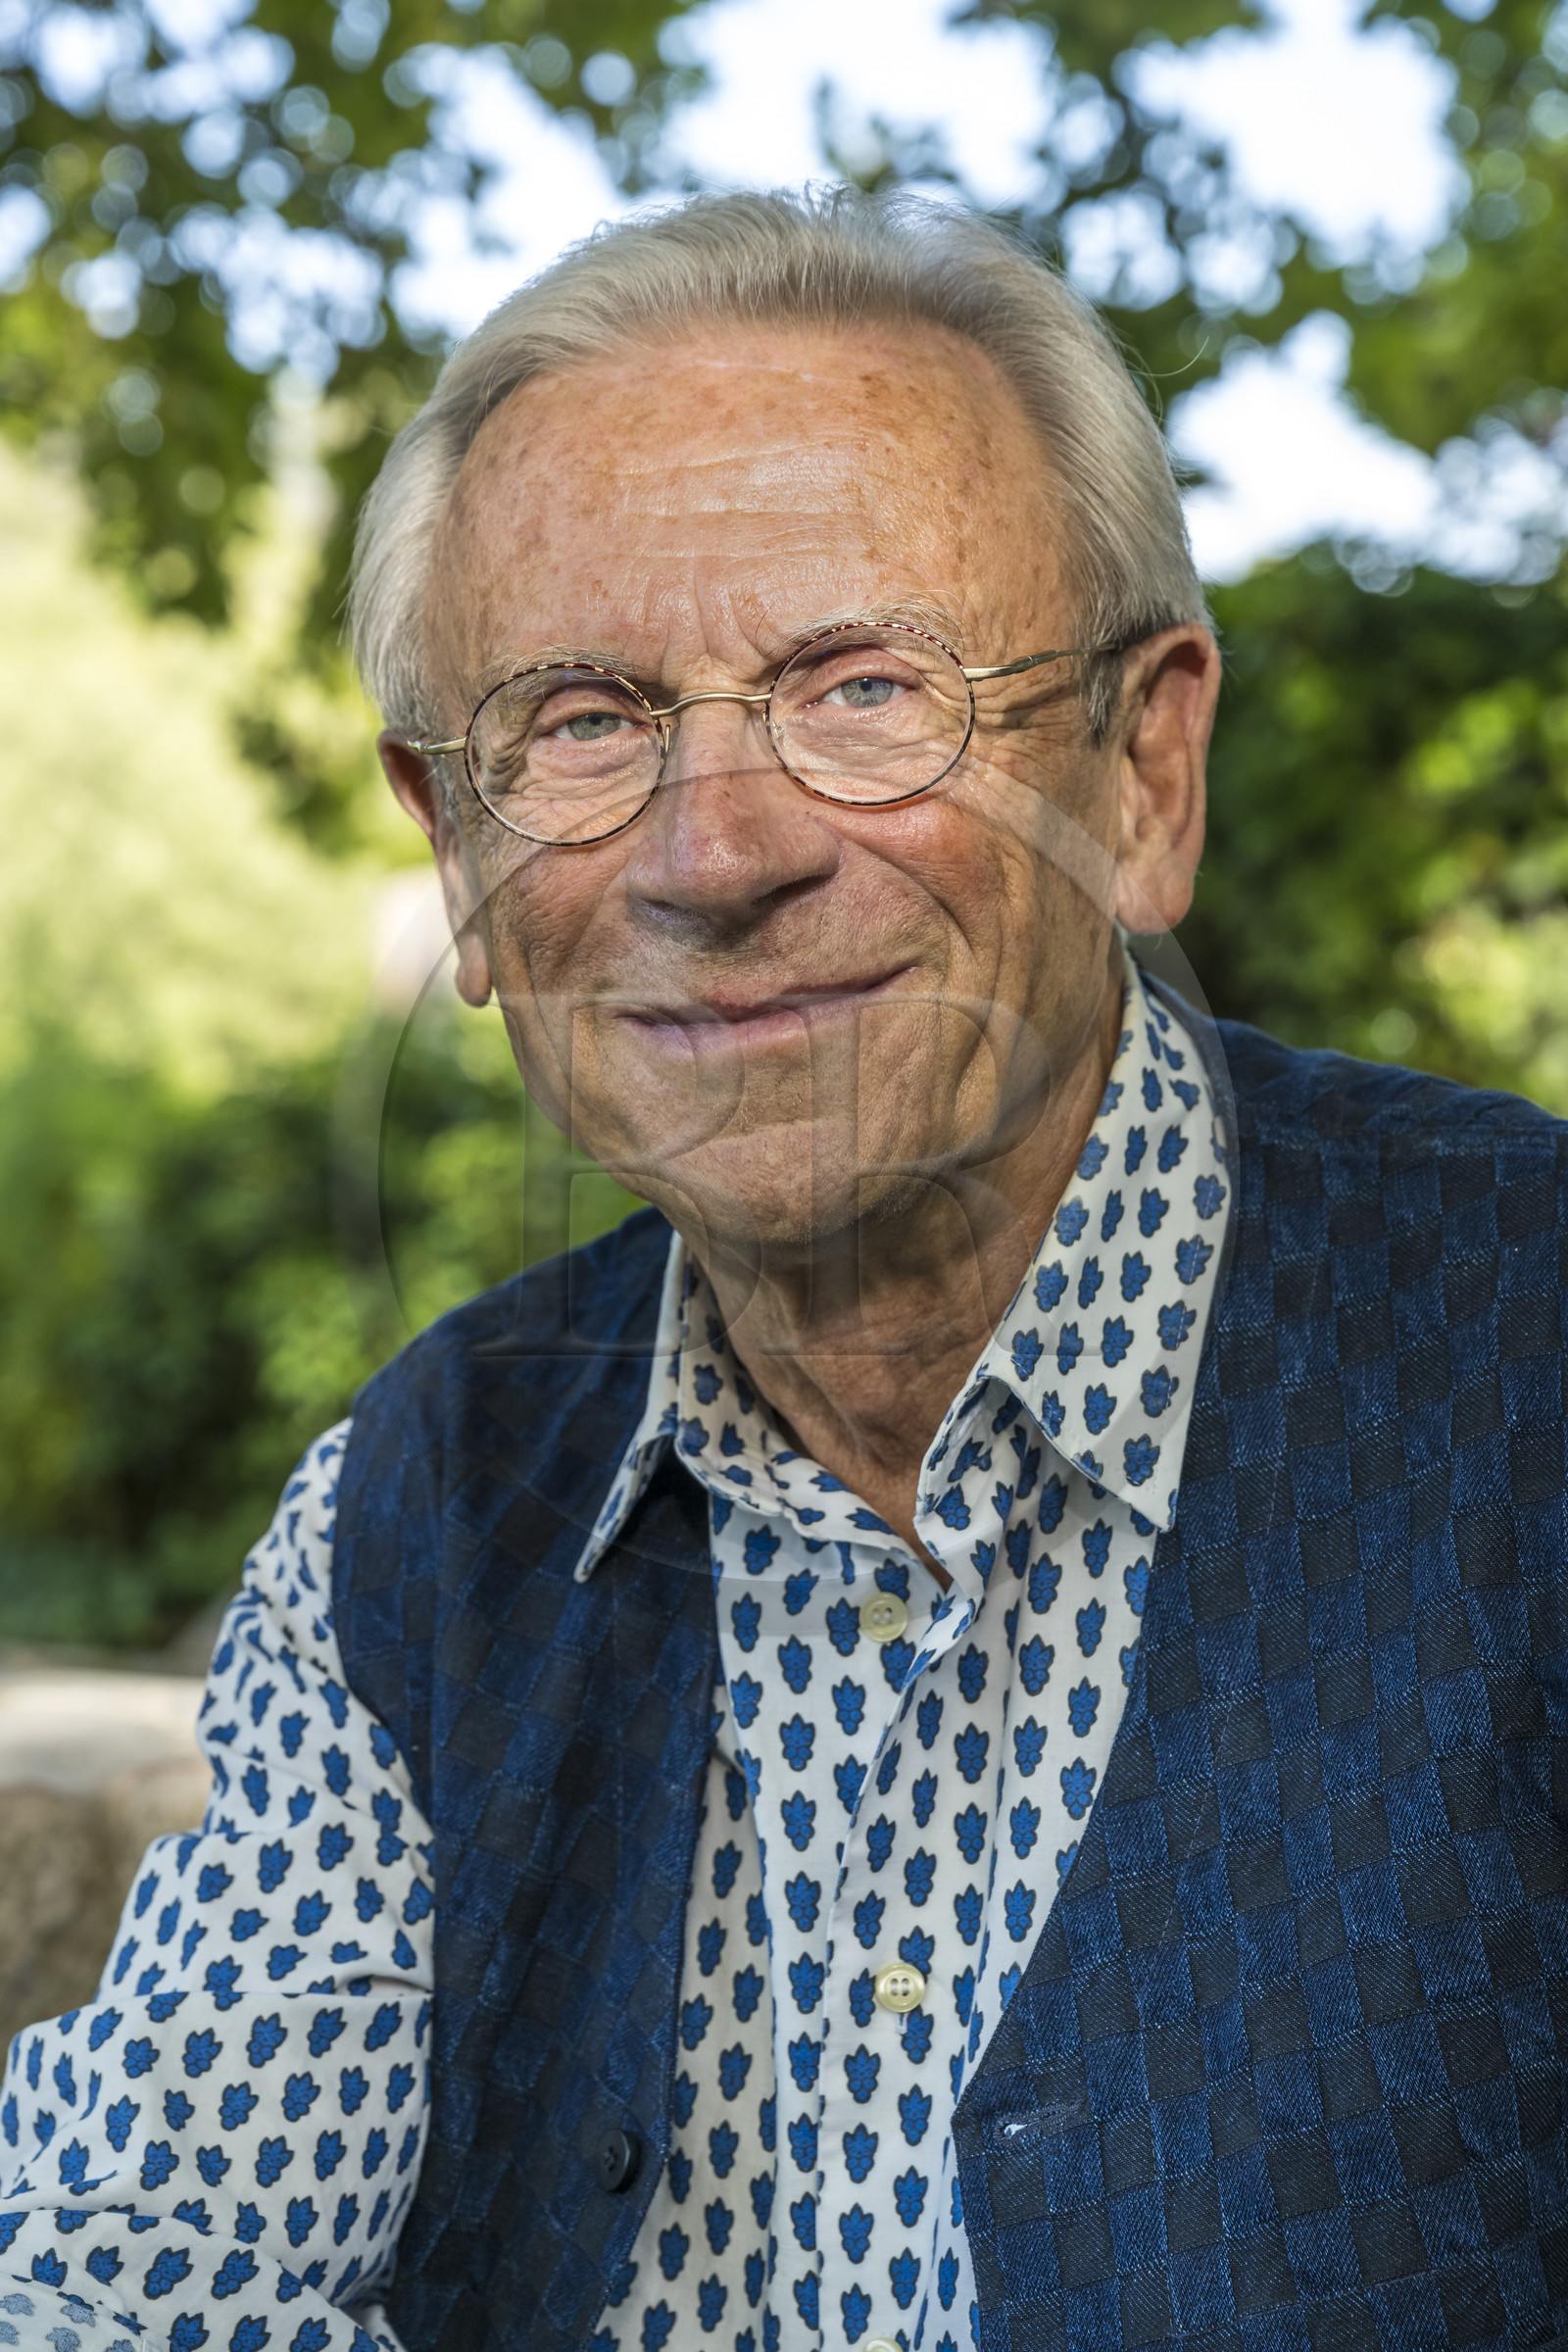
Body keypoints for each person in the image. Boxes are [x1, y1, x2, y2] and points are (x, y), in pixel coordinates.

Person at [3, 185, 1565, 2352]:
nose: (709, 853)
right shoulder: (418, 1513)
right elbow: (121, 2280)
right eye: (576, 723)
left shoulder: (1528, 1367)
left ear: (1139, 773)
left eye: (860, 691)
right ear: (457, 857)